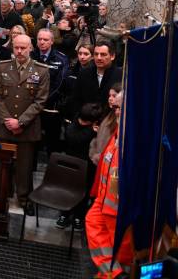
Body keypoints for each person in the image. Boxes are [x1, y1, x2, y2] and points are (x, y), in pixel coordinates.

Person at [0, 34, 49, 212]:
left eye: (23, 48)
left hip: (27, 127)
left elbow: (40, 101)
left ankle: (24, 198)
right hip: (6, 124)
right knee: (3, 163)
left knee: (24, 166)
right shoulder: (3, 67)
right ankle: (1, 192)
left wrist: (21, 122)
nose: (19, 51)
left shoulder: (41, 70)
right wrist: (7, 121)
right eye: (16, 47)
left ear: (31, 48)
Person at [86, 91, 133, 278]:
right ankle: (113, 273)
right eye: (116, 108)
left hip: (120, 210)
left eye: (120, 108)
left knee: (120, 252)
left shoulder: (136, 140)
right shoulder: (118, 132)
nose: (117, 112)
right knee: (92, 223)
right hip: (103, 201)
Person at [56, 102, 104, 230]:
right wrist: (90, 131)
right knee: (68, 189)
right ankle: (64, 214)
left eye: (86, 122)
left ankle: (79, 216)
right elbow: (73, 138)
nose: (82, 123)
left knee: (85, 192)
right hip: (71, 163)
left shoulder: (98, 126)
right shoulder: (76, 122)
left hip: (88, 166)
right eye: (81, 120)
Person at [31, 28, 69, 155]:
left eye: (45, 40)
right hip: (31, 106)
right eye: (39, 39)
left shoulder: (61, 59)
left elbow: (60, 84)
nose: (42, 42)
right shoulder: (30, 56)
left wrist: (42, 100)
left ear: (52, 41)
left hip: (51, 107)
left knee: (52, 143)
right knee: (33, 143)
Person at [70, 41, 122, 114]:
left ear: (112, 56)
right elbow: (76, 99)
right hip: (86, 119)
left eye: (103, 54)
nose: (99, 58)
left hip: (110, 120)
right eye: (96, 54)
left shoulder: (121, 75)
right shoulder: (84, 73)